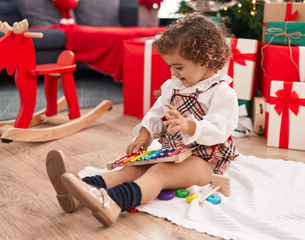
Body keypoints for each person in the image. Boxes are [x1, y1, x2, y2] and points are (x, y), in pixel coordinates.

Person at [46, 12, 239, 227]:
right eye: (170, 67)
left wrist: (189, 125)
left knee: (160, 172)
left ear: (204, 61)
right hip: (174, 152)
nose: (173, 73)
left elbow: (220, 128)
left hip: (204, 159)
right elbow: (156, 113)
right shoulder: (173, 86)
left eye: (179, 67)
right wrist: (145, 134)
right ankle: (79, 189)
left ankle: (113, 203)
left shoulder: (221, 92)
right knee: (133, 168)